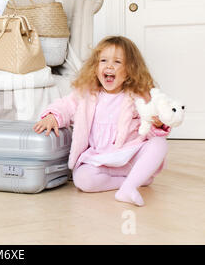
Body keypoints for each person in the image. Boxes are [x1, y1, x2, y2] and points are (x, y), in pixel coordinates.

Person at [33, 36, 170, 206]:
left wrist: (157, 124)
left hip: (129, 155)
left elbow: (147, 127)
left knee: (159, 144)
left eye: (117, 62)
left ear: (129, 70)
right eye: (103, 60)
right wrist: (53, 116)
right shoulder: (86, 94)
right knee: (82, 180)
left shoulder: (137, 97)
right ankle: (132, 181)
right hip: (100, 157)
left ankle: (130, 187)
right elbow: (66, 106)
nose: (109, 66)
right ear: (95, 67)